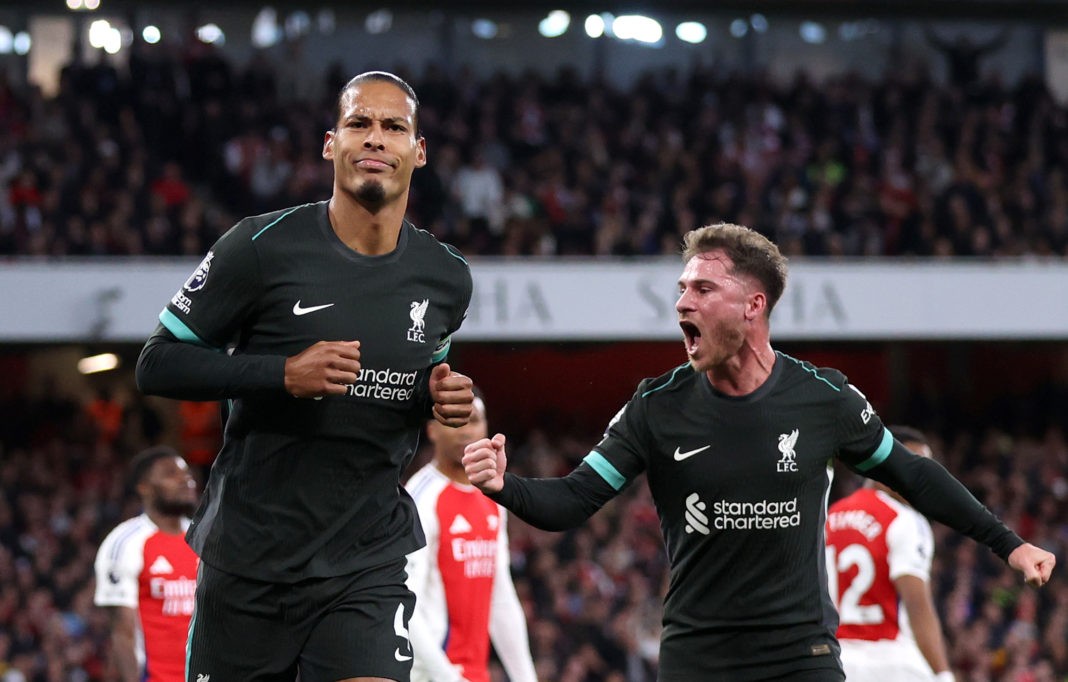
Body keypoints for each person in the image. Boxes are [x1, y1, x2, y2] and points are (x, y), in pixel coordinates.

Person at [462, 222, 1055, 682]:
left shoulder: (823, 398)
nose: (681, 304)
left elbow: (914, 474)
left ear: (753, 307)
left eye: (702, 288)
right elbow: (572, 500)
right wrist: (504, 485)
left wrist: (1009, 543)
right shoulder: (657, 406)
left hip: (803, 655)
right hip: (700, 658)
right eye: (681, 290)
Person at [135, 71, 475, 682]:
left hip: (365, 557)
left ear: (418, 151)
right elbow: (156, 363)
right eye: (358, 123)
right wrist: (282, 374)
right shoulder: (259, 247)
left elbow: (413, 379)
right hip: (249, 561)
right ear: (330, 143)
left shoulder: (446, 278)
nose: (375, 138)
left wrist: (434, 395)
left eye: (394, 126)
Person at [404, 391, 538, 682]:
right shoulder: (421, 498)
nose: (466, 430)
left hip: (474, 673)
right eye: (454, 421)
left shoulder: (491, 497)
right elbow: (405, 603)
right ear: (432, 431)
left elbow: (500, 596)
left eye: (474, 420)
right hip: (428, 674)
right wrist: (447, 676)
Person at [826, 426, 955, 682]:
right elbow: (917, 604)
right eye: (915, 468)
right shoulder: (903, 520)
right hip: (892, 662)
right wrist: (943, 674)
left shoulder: (829, 516)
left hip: (836, 661)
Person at [94, 446, 199, 682]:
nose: (185, 479)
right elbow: (123, 632)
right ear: (144, 487)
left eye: (187, 473)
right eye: (171, 473)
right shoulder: (125, 543)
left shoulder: (206, 538)